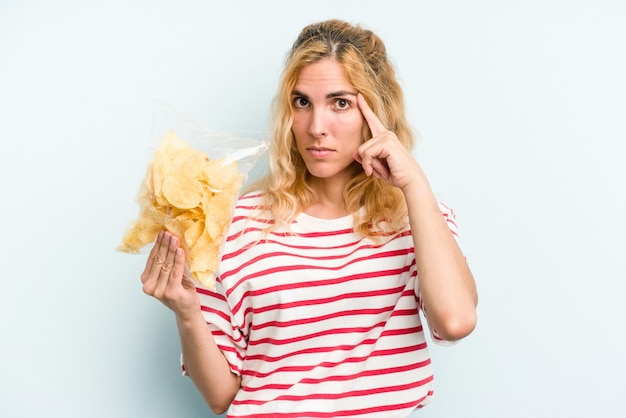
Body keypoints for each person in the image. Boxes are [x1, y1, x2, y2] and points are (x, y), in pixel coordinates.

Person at [140, 19, 478, 417]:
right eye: (302, 102)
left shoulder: (418, 220)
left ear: (378, 113)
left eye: (341, 103)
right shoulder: (236, 225)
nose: (317, 128)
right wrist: (187, 312)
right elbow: (221, 397)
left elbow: (455, 321)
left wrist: (414, 184)